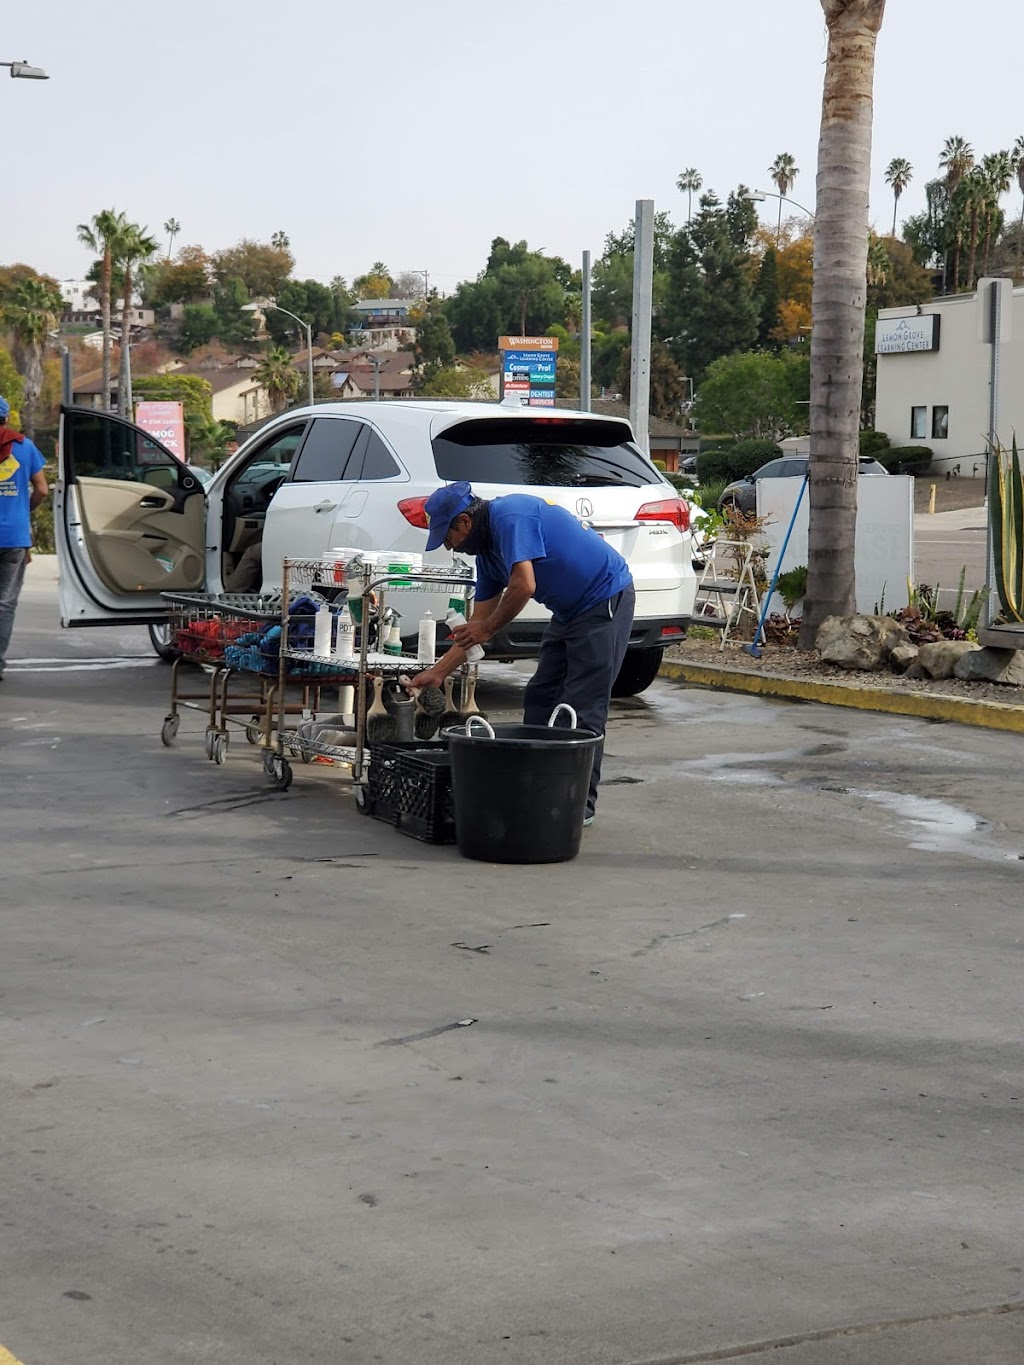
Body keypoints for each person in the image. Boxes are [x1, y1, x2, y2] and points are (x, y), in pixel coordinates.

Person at [410, 480, 635, 825]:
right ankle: (538, 791)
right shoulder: (486, 556)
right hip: (569, 611)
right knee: (541, 695)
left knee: (582, 706)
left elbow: (524, 585)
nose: (449, 546)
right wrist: (440, 672)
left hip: (603, 598)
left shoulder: (511, 516)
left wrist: (486, 630)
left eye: (448, 537)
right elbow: (477, 623)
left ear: (465, 523)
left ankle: (576, 808)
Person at [0, 396, 49, 681]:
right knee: (4, 602)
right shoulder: (24, 447)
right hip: (14, 537)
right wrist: (22, 510)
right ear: (6, 418)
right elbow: (42, 489)